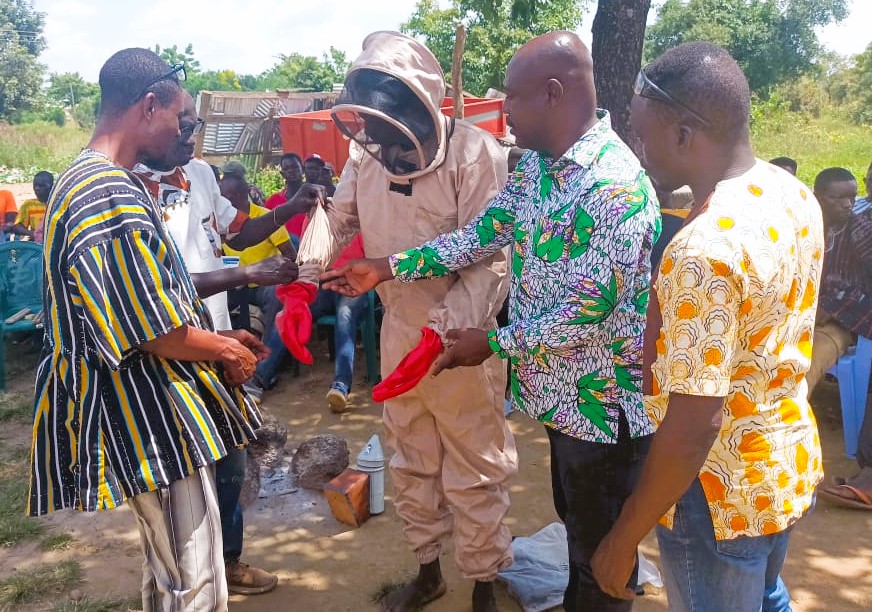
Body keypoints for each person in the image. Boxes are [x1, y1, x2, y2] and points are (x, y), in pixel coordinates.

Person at [323, 31, 660, 611]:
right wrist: (386, 267)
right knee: (581, 540)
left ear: (554, 93)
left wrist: (492, 340)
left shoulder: (614, 187)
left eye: (513, 97)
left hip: (604, 411)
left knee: (604, 559)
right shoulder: (536, 171)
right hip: (558, 401)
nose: (503, 112)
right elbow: (479, 238)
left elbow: (590, 315)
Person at [29, 47, 266, 611]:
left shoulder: (88, 182)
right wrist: (226, 347)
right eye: (178, 119)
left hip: (145, 410)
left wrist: (222, 340)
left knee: (168, 568)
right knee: (194, 577)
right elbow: (150, 329)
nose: (182, 133)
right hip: (145, 417)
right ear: (149, 105)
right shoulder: (102, 192)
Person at [591, 42, 824, 611]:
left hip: (716, 493)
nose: (638, 153)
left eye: (643, 136)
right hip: (781, 467)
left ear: (685, 134)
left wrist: (623, 538)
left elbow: (695, 425)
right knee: (766, 595)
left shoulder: (705, 249)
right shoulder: (792, 195)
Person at [293, 31, 516, 612]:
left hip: (463, 342)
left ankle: (485, 585)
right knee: (411, 459)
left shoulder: (475, 155)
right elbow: (337, 221)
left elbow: (492, 258)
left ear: (421, 106)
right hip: (398, 332)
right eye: (368, 123)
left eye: (386, 122)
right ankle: (428, 571)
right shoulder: (364, 158)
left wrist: (444, 333)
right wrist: (305, 274)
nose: (376, 136)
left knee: (475, 467)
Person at [134, 89, 320, 595]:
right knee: (183, 477)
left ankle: (227, 563)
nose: (190, 135)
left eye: (195, 125)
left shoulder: (198, 176)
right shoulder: (131, 191)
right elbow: (154, 292)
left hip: (218, 337)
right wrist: (246, 275)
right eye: (183, 124)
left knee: (231, 461)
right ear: (149, 116)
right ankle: (186, 578)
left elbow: (237, 234)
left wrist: (289, 210)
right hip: (171, 347)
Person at [807, 168, 872, 510]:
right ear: (819, 197)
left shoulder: (861, 232)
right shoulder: (805, 226)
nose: (849, 204)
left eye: (852, 197)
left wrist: (831, 308)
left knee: (804, 365)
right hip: (800, 313)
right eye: (839, 198)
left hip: (842, 323)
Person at [220, 172, 297, 399]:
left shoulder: (266, 219)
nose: (224, 199)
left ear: (242, 193)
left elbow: (291, 257)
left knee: (278, 301)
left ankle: (261, 374)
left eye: (229, 194)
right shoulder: (219, 223)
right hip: (234, 285)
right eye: (222, 195)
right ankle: (228, 370)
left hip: (264, 285)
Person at [265, 152, 307, 237]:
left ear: (302, 169)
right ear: (282, 174)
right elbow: (265, 229)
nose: (291, 171)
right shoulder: (272, 201)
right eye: (286, 168)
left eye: (294, 167)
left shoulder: (313, 197)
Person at [8, 171, 53, 242]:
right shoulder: (29, 205)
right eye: (35, 185)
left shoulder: (58, 204)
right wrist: (33, 234)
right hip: (36, 244)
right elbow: (18, 226)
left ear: (52, 186)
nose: (37, 188)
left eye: (42, 186)